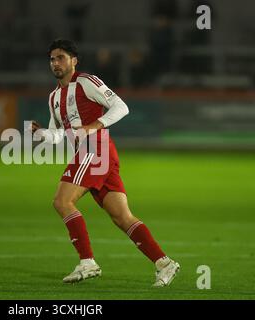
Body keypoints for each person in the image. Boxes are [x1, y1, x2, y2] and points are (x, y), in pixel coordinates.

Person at [29, 39, 180, 286]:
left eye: (61, 57)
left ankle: (87, 262)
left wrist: (94, 125)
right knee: (122, 217)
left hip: (96, 148)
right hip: (93, 154)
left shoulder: (87, 82)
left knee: (62, 201)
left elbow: (121, 107)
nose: (55, 63)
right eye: (52, 59)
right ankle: (165, 263)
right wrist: (42, 134)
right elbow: (58, 134)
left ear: (73, 61)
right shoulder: (54, 97)